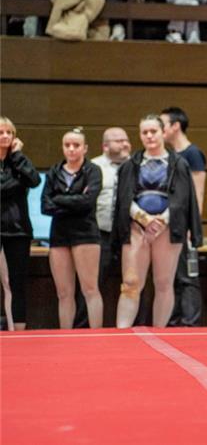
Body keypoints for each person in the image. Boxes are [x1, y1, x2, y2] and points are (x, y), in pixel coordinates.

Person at [114, 115, 202, 328]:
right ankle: (121, 332)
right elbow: (124, 198)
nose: (149, 136)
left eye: (153, 131)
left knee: (163, 283)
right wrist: (142, 218)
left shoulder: (179, 164)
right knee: (130, 283)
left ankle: (159, 332)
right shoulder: (131, 164)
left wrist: (162, 221)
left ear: (163, 133)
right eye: (145, 132)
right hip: (136, 227)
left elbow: (183, 198)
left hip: (168, 229)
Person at [41, 128, 103, 329]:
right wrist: (72, 200)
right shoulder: (54, 171)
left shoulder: (92, 170)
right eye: (67, 145)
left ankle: (97, 335)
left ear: (85, 148)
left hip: (85, 233)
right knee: (64, 292)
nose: (71, 149)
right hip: (59, 233)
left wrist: (59, 199)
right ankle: (66, 334)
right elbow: (45, 205)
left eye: (76, 145)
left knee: (89, 288)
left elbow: (87, 202)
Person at [74, 127, 131, 328]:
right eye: (118, 141)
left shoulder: (136, 166)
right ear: (105, 146)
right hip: (100, 234)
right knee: (91, 283)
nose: (125, 144)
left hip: (129, 235)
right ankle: (82, 327)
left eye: (126, 140)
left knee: (132, 284)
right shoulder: (92, 167)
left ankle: (135, 328)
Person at [161, 107, 206, 327]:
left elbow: (198, 193)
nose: (160, 130)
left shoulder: (192, 154)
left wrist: (192, 226)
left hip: (186, 225)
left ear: (175, 126)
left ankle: (190, 322)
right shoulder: (169, 155)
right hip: (171, 225)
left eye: (163, 125)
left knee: (188, 275)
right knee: (172, 275)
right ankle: (174, 320)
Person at [0, 116, 40, 331]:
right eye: (1, 132)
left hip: (18, 231)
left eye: (9, 132)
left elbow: (34, 180)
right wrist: (17, 183)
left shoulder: (18, 161)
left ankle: (18, 330)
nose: (5, 136)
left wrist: (17, 156)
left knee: (17, 283)